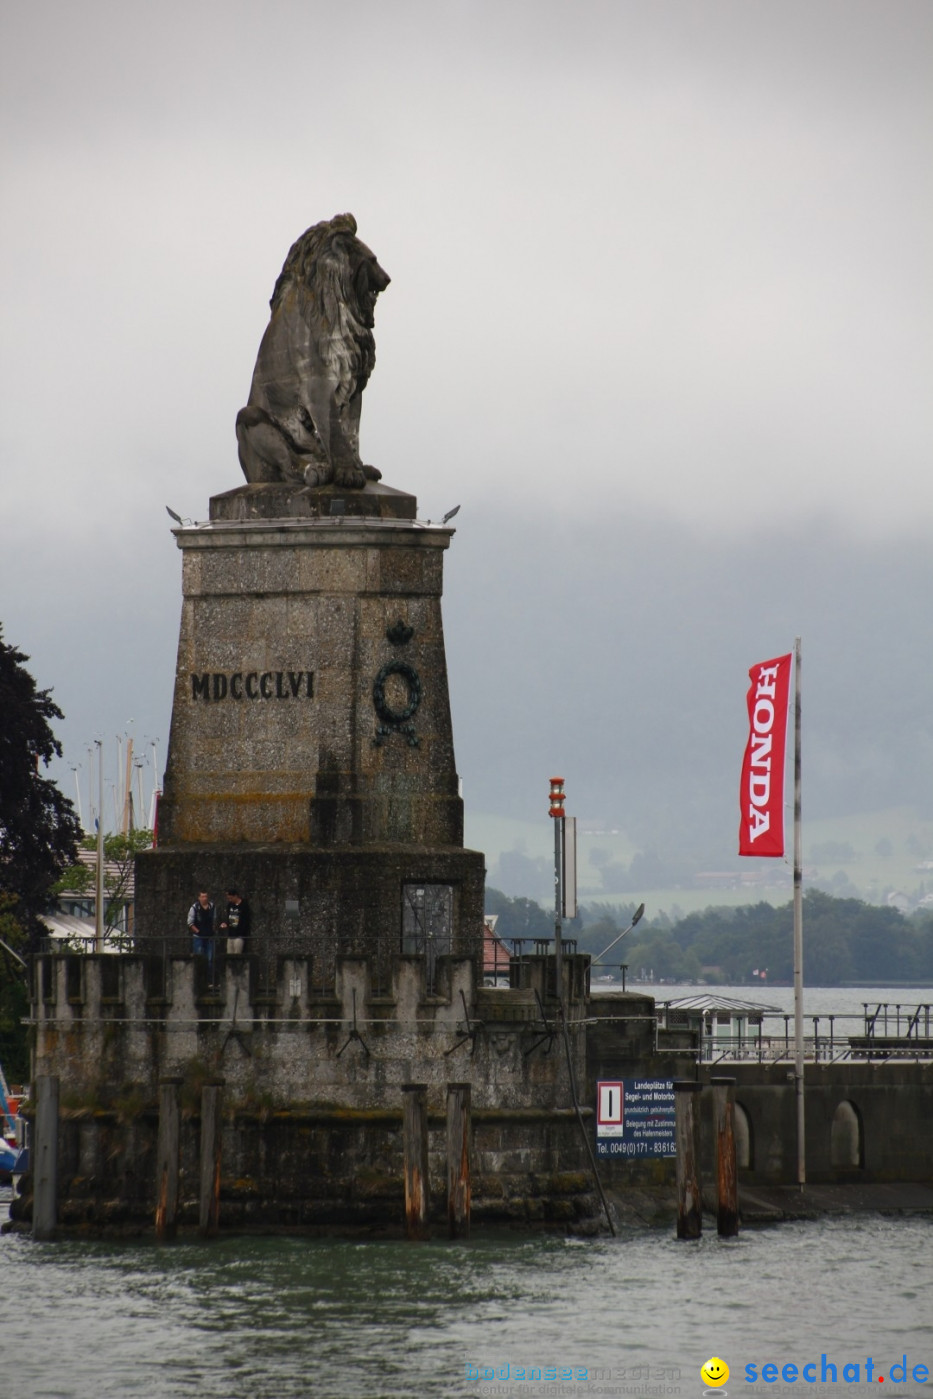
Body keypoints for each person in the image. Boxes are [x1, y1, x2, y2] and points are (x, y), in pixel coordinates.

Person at [188, 889, 216, 983]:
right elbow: (190, 923)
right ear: (199, 897)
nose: (205, 898)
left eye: (206, 896)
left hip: (210, 937)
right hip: (199, 937)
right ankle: (199, 981)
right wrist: (198, 932)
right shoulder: (194, 907)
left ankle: (209, 981)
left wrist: (213, 929)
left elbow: (214, 920)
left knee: (210, 959)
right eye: (203, 896)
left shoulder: (212, 906)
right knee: (199, 958)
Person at [220, 888, 251, 955]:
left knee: (237, 954)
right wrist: (226, 924)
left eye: (231, 898)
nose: (230, 900)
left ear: (236, 896)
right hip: (231, 934)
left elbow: (246, 920)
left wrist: (242, 931)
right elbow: (229, 918)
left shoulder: (244, 905)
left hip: (239, 935)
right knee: (229, 953)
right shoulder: (230, 905)